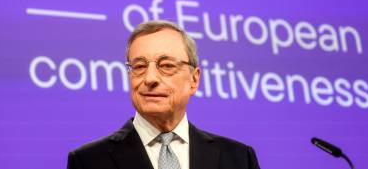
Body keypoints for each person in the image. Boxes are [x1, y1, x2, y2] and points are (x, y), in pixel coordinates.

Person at [67, 20, 260, 169]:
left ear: (194, 79)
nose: (150, 78)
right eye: (140, 66)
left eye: (166, 66)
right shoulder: (88, 161)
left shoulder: (239, 158)